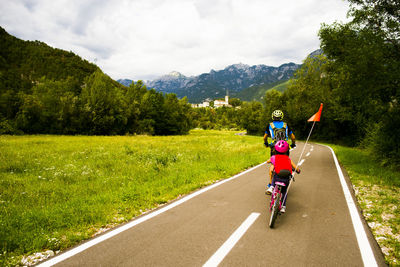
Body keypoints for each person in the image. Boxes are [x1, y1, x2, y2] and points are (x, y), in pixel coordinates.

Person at [266, 140, 300, 213]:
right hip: (286, 179)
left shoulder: (274, 157)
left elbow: (267, 161)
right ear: (287, 151)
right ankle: (283, 207)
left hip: (277, 177)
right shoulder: (288, 159)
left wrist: (271, 161)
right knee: (284, 192)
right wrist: (298, 170)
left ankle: (271, 187)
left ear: (275, 149)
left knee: (274, 175)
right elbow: (296, 167)